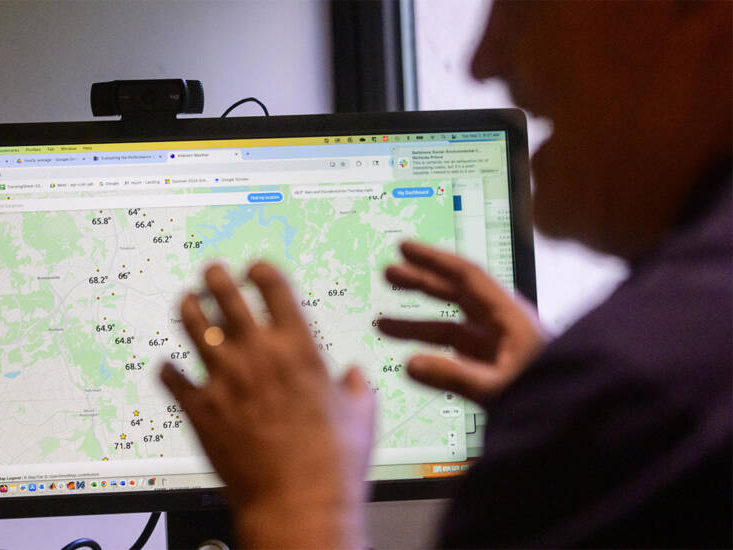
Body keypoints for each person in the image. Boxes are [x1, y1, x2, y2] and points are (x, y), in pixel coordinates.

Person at [160, 1, 732, 548]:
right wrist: (572, 413)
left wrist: (299, 508)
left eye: (525, 5)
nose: (484, 59)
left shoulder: (650, 390)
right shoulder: (662, 396)